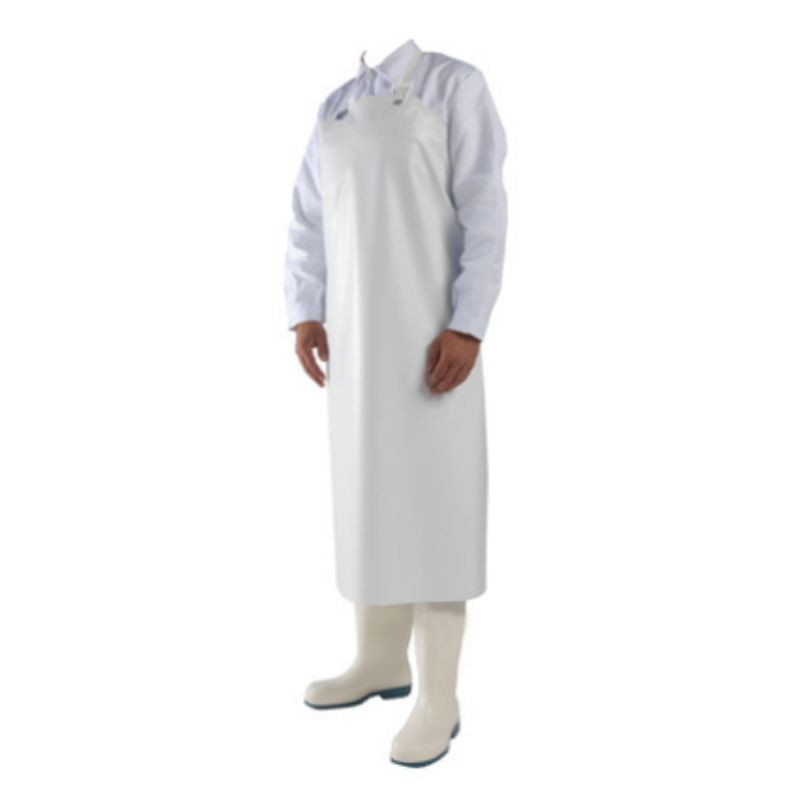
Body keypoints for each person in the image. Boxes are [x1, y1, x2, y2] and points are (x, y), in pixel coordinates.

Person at [283, 38, 507, 767]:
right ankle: (379, 659)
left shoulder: (453, 86)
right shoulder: (335, 107)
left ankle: (439, 697)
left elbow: (485, 208)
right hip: (355, 346)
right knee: (368, 499)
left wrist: (468, 324)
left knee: (437, 509)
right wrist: (305, 309)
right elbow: (309, 218)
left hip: (430, 339)